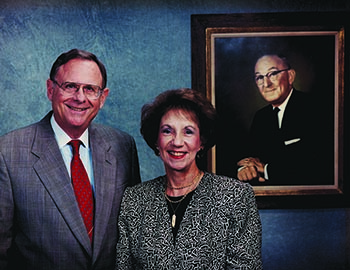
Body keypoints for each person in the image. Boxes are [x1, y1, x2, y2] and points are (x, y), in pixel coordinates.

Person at [0, 48, 141, 270]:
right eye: (70, 86)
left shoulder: (122, 146)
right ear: (50, 89)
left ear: (102, 98)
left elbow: (132, 237)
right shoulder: (8, 152)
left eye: (90, 89)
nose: (80, 98)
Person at [115, 88, 262, 270]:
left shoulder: (235, 196)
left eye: (188, 132)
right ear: (156, 140)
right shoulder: (134, 200)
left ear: (201, 141)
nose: (177, 142)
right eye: (167, 131)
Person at [237, 54, 330, 185]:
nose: (266, 84)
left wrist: (266, 170)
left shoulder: (316, 109)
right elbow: (249, 156)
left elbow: (318, 164)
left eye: (273, 74)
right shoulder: (261, 117)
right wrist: (245, 169)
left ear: (290, 76)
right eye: (259, 77)